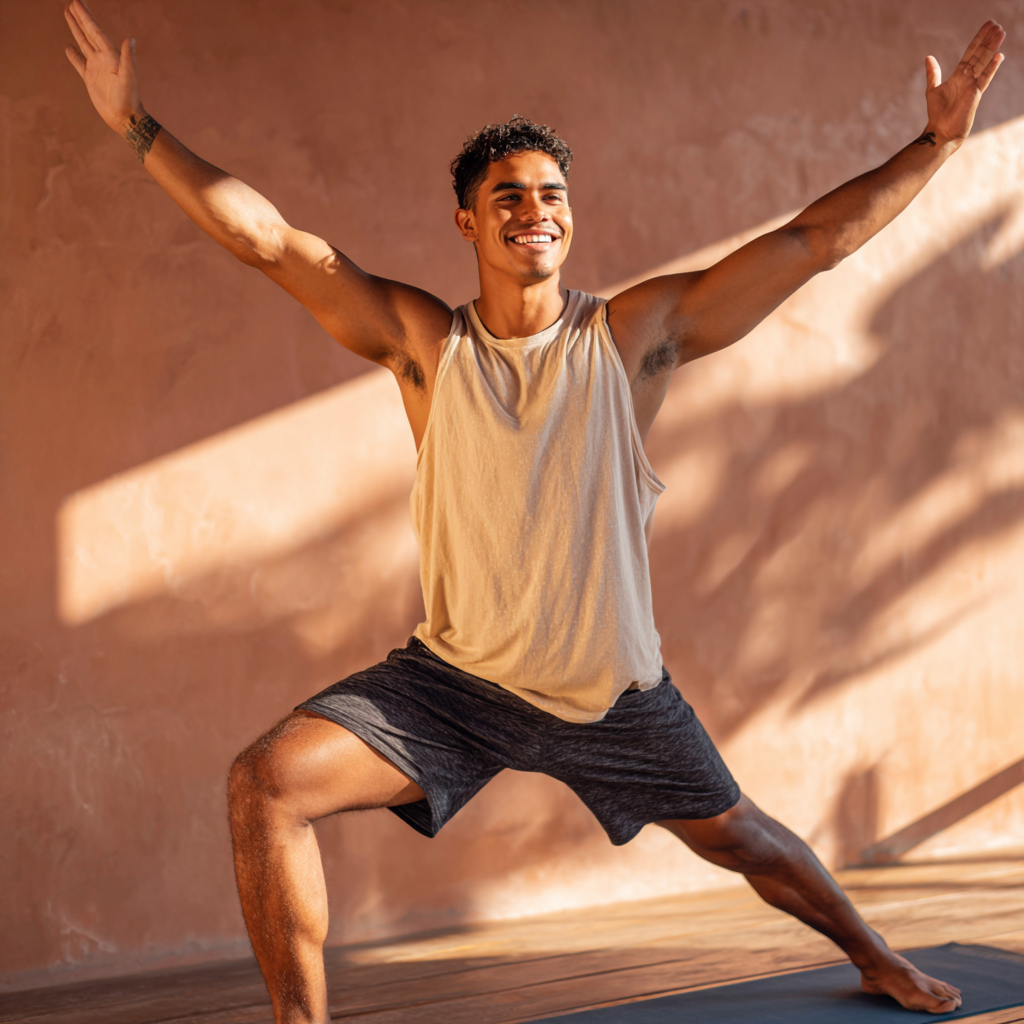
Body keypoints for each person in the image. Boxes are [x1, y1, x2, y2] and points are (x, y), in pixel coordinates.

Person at [64, 3, 1005, 1021]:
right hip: (452, 685)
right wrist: (135, 128)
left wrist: (936, 146)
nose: (533, 208)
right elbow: (269, 241)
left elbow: (814, 241)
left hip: (612, 692)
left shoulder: (635, 334)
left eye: (551, 192)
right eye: (505, 194)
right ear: (466, 222)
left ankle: (873, 954)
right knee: (266, 782)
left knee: (744, 839)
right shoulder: (425, 343)